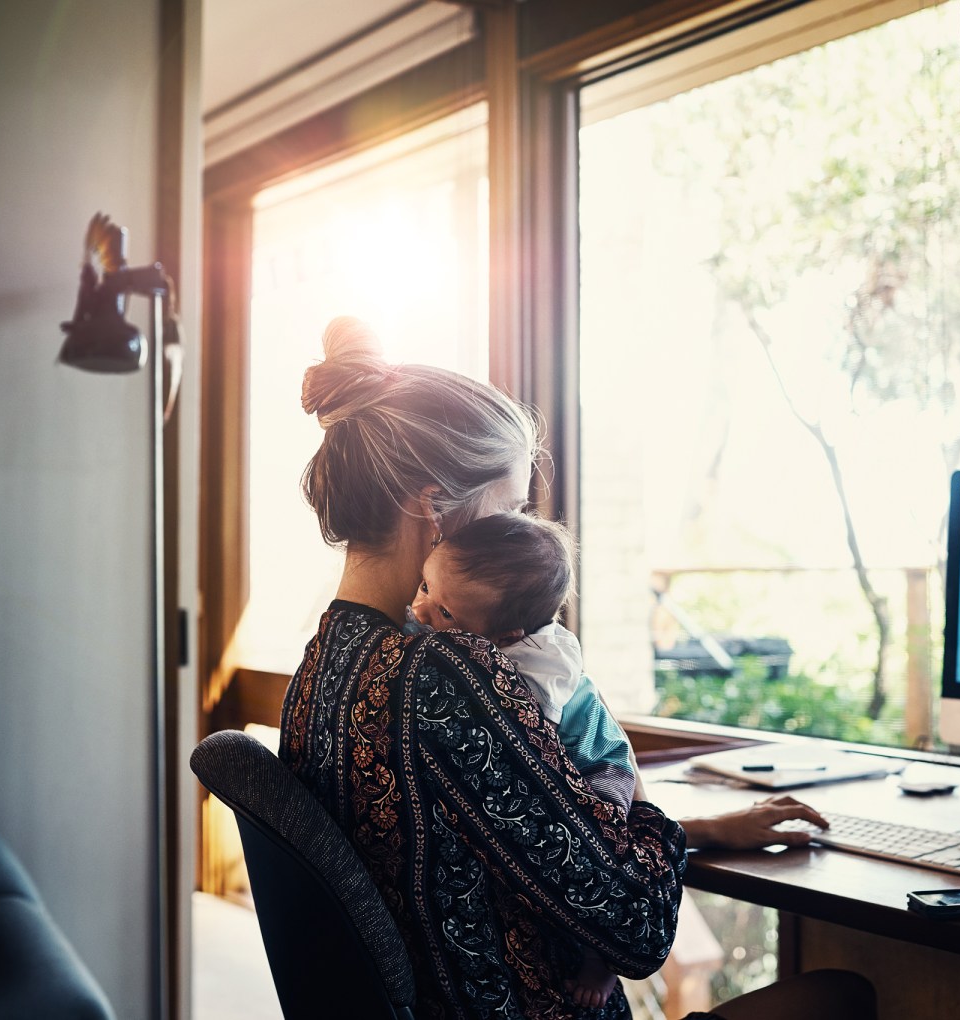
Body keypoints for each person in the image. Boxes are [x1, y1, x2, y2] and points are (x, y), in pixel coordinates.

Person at [279, 317, 876, 1020]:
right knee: (844, 996)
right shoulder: (445, 674)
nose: (519, 538)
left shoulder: (322, 667)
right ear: (432, 505)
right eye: (509, 510)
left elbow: (500, 837)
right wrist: (642, 796)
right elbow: (637, 930)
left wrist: (703, 829)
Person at [408, 510, 634, 1009]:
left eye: (444, 614)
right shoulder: (473, 629)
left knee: (601, 847)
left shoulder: (538, 669)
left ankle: (602, 961)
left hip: (601, 764)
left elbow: (533, 741)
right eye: (425, 586)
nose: (421, 610)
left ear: (507, 635)